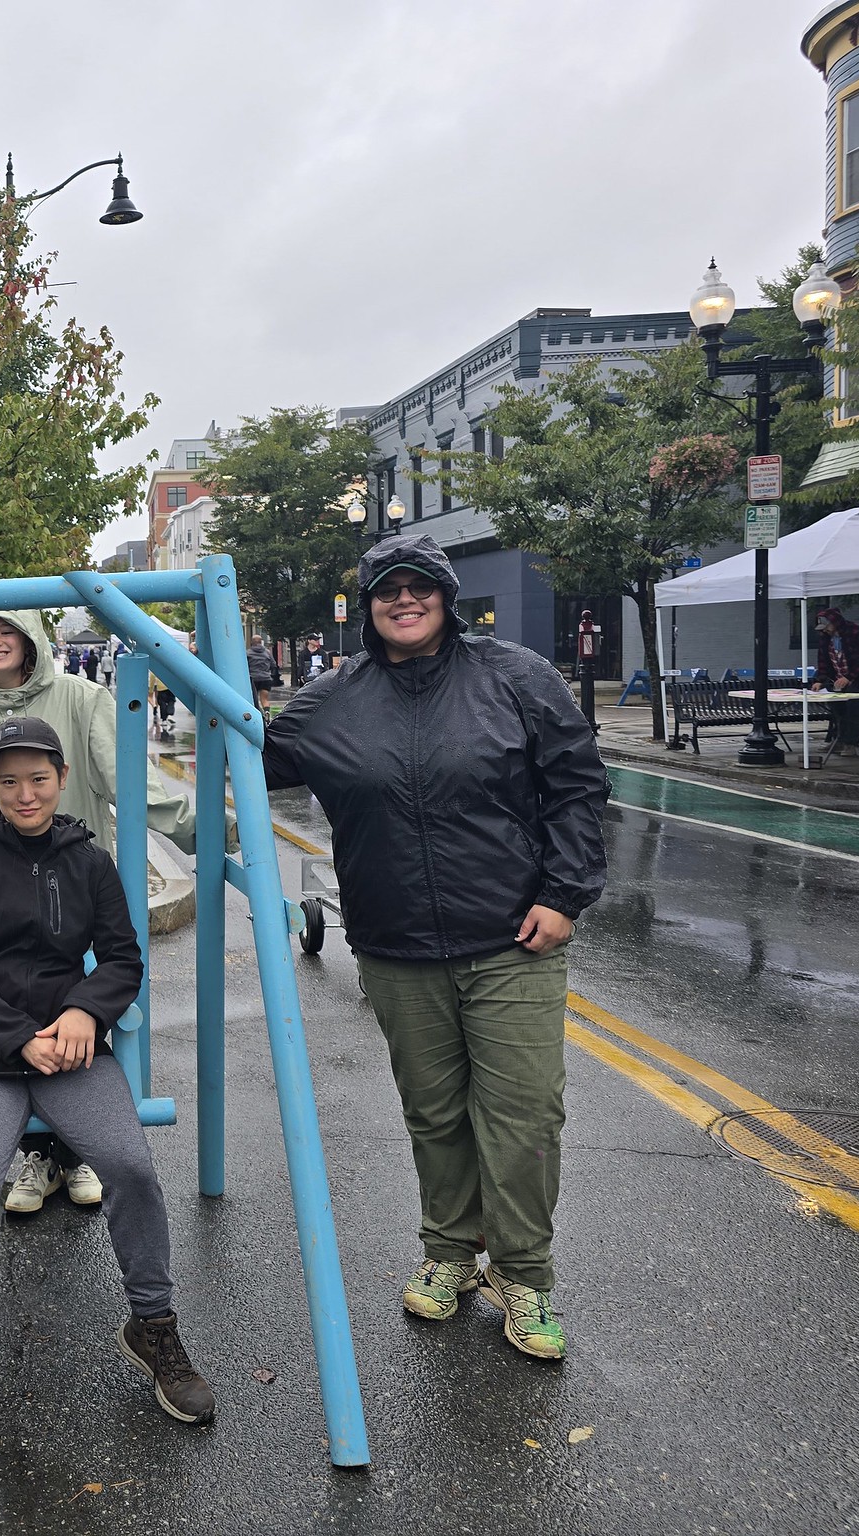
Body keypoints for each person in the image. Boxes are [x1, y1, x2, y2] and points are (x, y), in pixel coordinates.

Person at [262, 533, 607, 1361]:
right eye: (388, 589)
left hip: (511, 940)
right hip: (396, 945)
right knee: (436, 1115)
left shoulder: (515, 676)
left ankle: (524, 1275)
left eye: (421, 587)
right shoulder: (332, 698)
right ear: (369, 605)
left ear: (448, 597)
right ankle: (451, 1254)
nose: (404, 600)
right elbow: (254, 755)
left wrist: (564, 896)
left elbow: (576, 784)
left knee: (524, 1114)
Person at [0, 718, 215, 1427]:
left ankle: (153, 1325)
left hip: (70, 1047)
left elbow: (123, 958)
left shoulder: (87, 862)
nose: (24, 793)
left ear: (62, 778)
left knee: (132, 1167)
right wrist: (17, 1039)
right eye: (9, 781)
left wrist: (83, 1014)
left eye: (38, 778)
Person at [0, 610, 197, 1217]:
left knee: (74, 1011)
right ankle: (42, 1153)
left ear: (29, 640)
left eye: (6, 631)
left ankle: (71, 1149)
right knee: (9, 1011)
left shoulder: (81, 698)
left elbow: (126, 777)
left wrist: (201, 828)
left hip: (73, 890)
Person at [811, 606, 859, 756]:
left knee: (855, 711)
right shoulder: (825, 638)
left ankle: (850, 743)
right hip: (837, 680)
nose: (825, 630)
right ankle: (838, 740)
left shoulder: (857, 632)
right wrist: (820, 680)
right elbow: (823, 661)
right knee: (838, 712)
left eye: (827, 626)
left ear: (835, 623)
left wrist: (849, 677)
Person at [246, 637, 281, 710]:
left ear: (251, 642)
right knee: (264, 700)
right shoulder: (267, 652)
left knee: (252, 700)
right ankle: (267, 713)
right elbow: (273, 664)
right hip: (265, 679)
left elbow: (244, 665)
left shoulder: (248, 653)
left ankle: (256, 715)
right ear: (261, 642)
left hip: (253, 679)